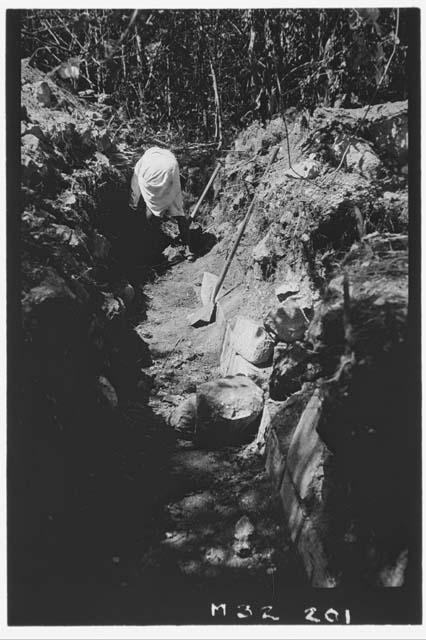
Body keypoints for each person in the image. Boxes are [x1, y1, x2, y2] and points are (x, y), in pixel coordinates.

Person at [129, 146, 194, 260]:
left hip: (153, 174)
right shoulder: (159, 153)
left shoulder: (140, 164)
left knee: (152, 209)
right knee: (178, 212)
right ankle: (188, 250)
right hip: (172, 168)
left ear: (136, 160)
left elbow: (135, 190)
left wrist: (133, 205)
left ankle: (155, 249)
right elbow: (172, 162)